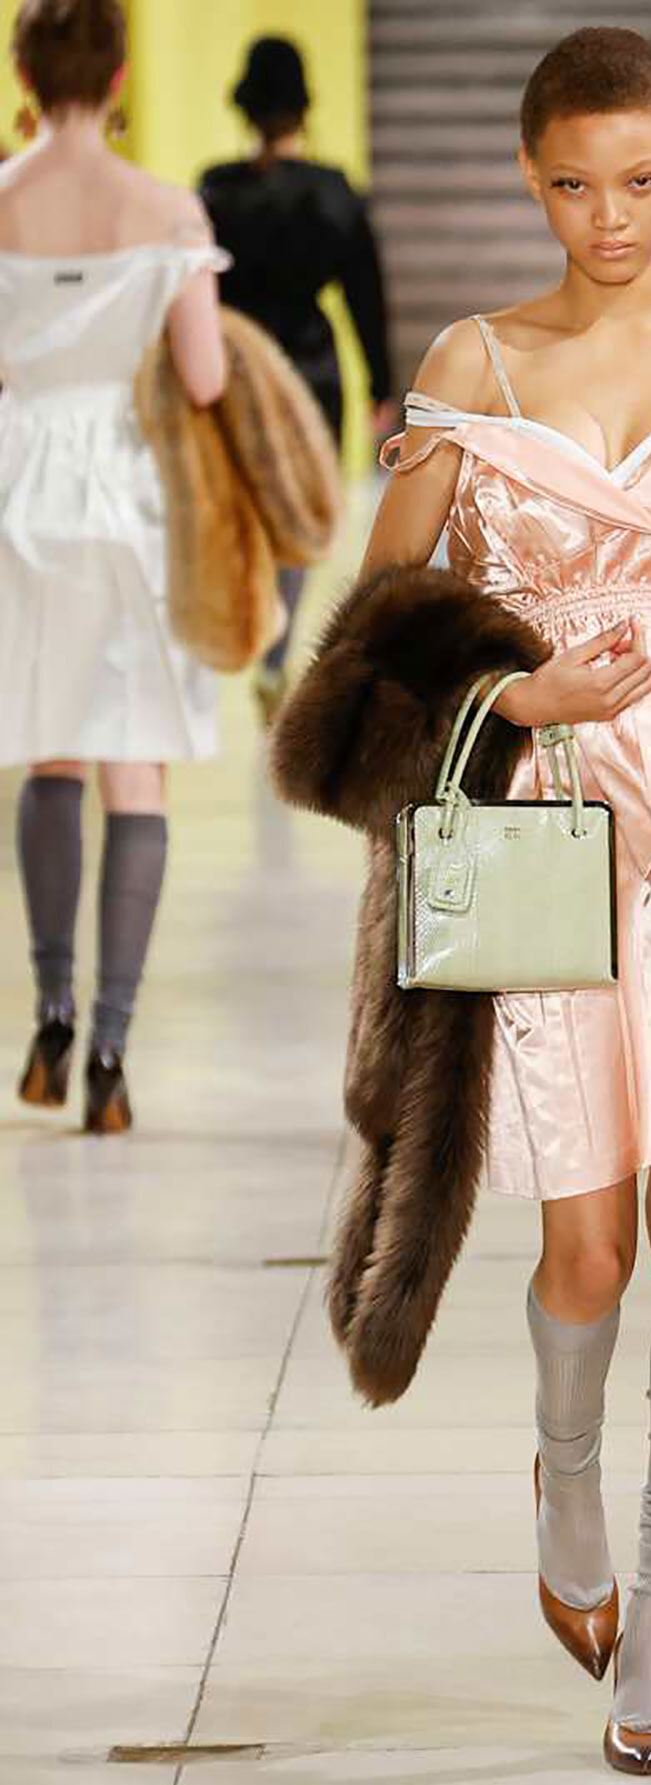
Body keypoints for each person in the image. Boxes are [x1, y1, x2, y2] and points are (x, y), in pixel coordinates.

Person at [276, 24, 651, 1776]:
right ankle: (572, 1489)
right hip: (535, 822)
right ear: (536, 182)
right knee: (587, 1240)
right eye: (569, 184)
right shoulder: (473, 363)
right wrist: (516, 699)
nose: (605, 215)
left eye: (636, 178)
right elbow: (367, 642)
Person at [0, 0, 227, 1133]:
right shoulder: (166, 209)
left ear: (22, 69)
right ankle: (112, 1058)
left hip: (21, 494)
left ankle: (47, 1013)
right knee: (137, 768)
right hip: (131, 502)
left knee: (52, 758)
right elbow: (203, 377)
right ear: (124, 68)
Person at [199, 35, 395, 723]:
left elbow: (198, 294)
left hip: (236, 370)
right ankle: (275, 652)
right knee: (298, 519)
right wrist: (380, 384)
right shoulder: (333, 194)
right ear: (303, 107)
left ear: (246, 107)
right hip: (313, 369)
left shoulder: (216, 191)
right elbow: (366, 292)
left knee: (242, 505)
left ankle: (248, 627)